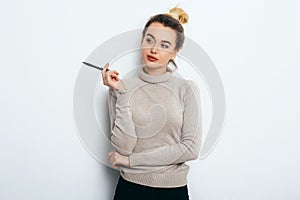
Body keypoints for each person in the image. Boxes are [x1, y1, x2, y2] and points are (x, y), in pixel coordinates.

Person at [102, 6, 202, 200]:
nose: (154, 49)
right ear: (142, 41)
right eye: (149, 40)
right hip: (129, 189)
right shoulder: (121, 88)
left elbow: (190, 148)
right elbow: (123, 148)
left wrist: (131, 161)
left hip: (173, 192)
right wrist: (121, 94)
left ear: (175, 51)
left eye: (164, 45)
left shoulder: (187, 89)